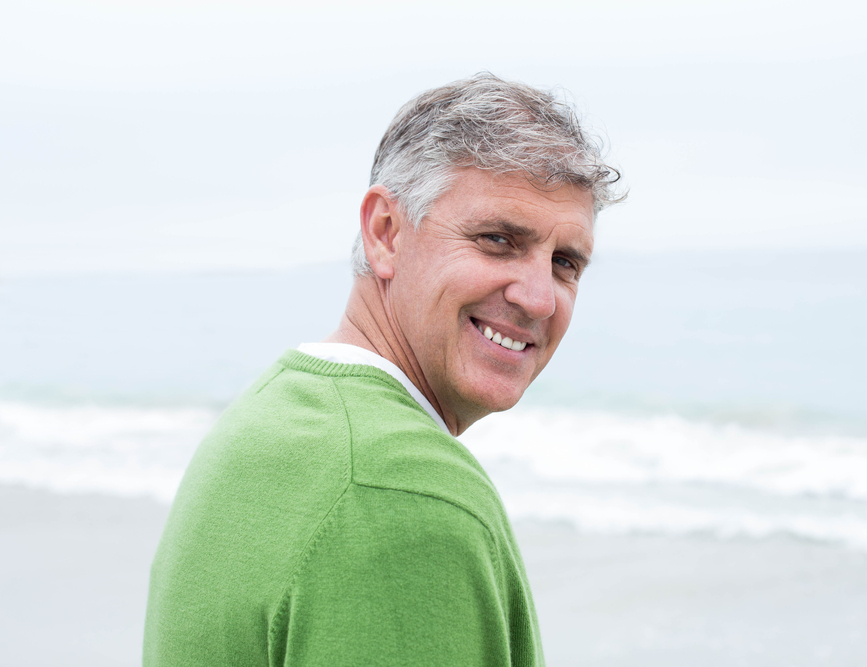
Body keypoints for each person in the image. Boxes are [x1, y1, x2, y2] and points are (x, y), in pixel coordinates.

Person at [143, 72, 624, 666]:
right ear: (385, 234)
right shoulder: (403, 491)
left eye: (565, 263)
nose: (540, 298)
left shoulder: (270, 417)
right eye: (498, 240)